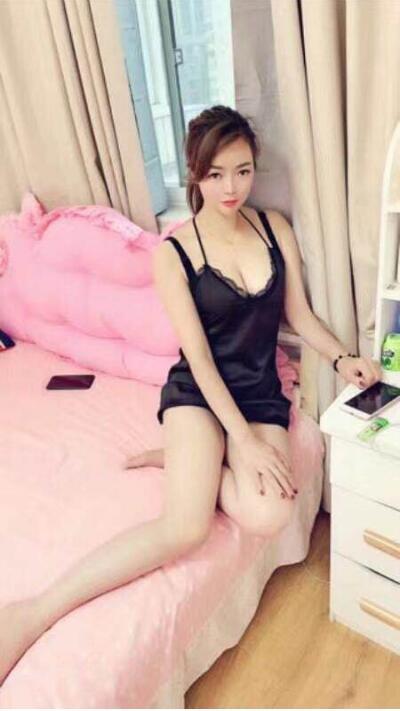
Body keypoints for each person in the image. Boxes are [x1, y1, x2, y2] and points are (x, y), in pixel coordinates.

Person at [0, 105, 381, 686]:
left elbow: (299, 315)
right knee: (185, 527)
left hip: (258, 392)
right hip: (198, 395)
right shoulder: (173, 254)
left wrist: (342, 357)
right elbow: (199, 360)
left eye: (243, 171)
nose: (231, 188)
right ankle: (32, 612)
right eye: (216, 174)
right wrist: (243, 443)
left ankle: (192, 461)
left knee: (270, 510)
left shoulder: (273, 228)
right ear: (195, 174)